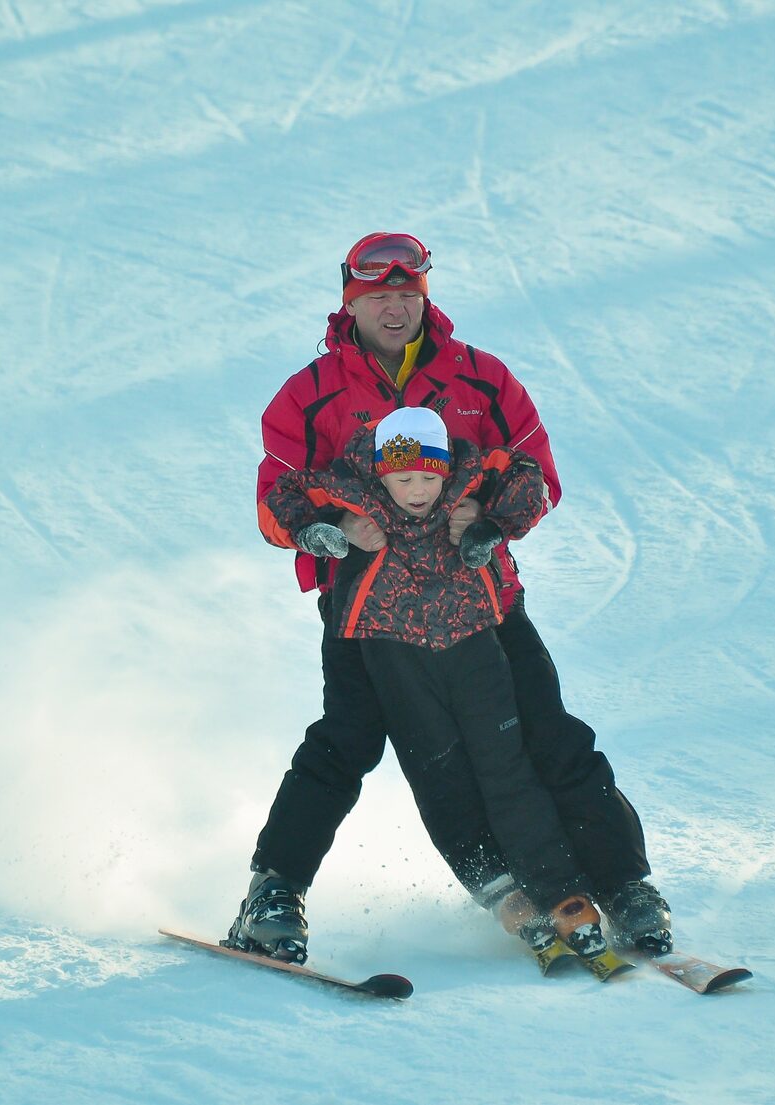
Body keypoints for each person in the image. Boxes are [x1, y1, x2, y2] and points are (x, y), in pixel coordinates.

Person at [227, 230, 670, 964]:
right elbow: (275, 502)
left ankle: (623, 882)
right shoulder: (312, 394)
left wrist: (491, 518)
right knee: (348, 741)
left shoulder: (480, 378)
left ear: (425, 297)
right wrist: (330, 528)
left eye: (407, 294)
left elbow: (538, 472)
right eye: (378, 297)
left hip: (483, 602)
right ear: (352, 303)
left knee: (548, 732)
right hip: (368, 615)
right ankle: (273, 894)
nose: (394, 309)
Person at [251, 406, 629, 974]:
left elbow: (532, 478)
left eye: (429, 477)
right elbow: (283, 493)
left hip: (474, 643)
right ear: (381, 473)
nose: (419, 490)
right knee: (438, 774)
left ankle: (565, 894)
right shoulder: (355, 488)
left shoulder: (468, 478)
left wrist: (491, 523)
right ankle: (505, 894)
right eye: (404, 479)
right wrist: (318, 529)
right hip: (389, 651)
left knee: (510, 767)